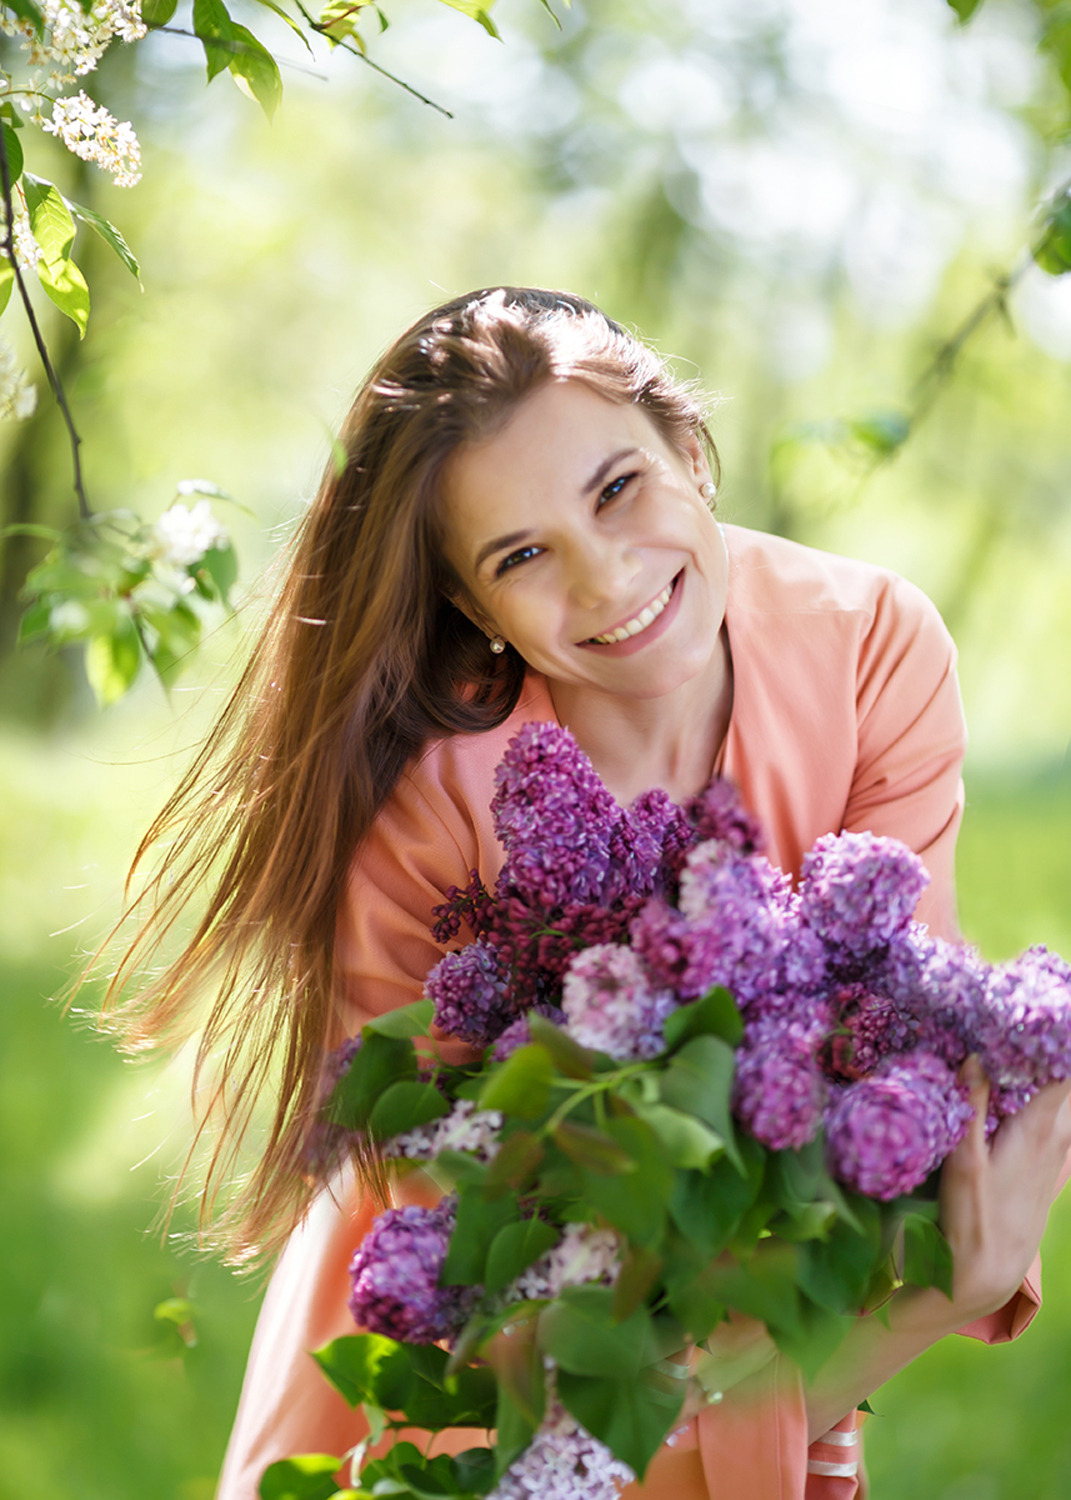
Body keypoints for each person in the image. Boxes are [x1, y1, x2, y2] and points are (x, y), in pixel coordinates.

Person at [108, 287, 1071, 1500]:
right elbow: (526, 1343)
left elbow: (898, 1096)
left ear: (688, 448)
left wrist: (901, 1266)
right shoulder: (433, 789)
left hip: (769, 1334)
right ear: (472, 607)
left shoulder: (871, 645)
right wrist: (942, 1298)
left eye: (618, 488)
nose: (609, 579)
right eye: (523, 555)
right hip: (482, 1375)